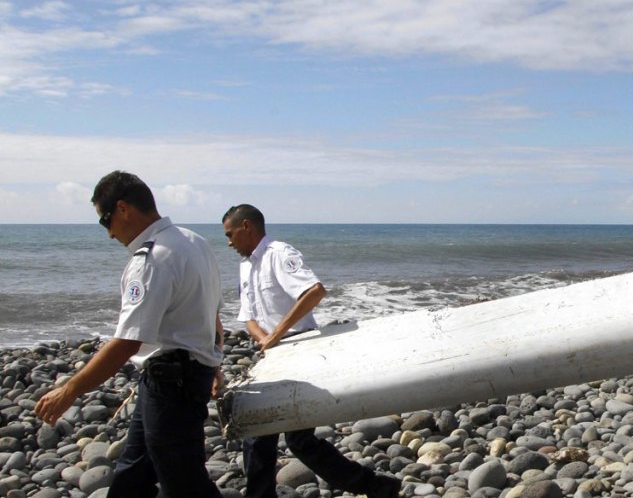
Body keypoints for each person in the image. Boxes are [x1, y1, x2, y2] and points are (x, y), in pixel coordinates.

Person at [35, 170, 225, 498]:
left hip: (171, 384)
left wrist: (69, 391)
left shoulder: (151, 259)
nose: (108, 234)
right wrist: (214, 363)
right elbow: (210, 313)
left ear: (123, 209)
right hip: (182, 377)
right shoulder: (194, 242)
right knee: (132, 475)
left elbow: (127, 342)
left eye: (104, 221)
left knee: (184, 484)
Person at [221, 204, 401, 498]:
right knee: (290, 439)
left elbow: (314, 291)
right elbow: (248, 315)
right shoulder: (245, 266)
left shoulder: (279, 254)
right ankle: (376, 486)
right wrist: (265, 339)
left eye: (230, 234)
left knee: (269, 434)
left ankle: (373, 485)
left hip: (300, 350)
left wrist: (277, 335)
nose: (228, 243)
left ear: (246, 227)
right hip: (273, 354)